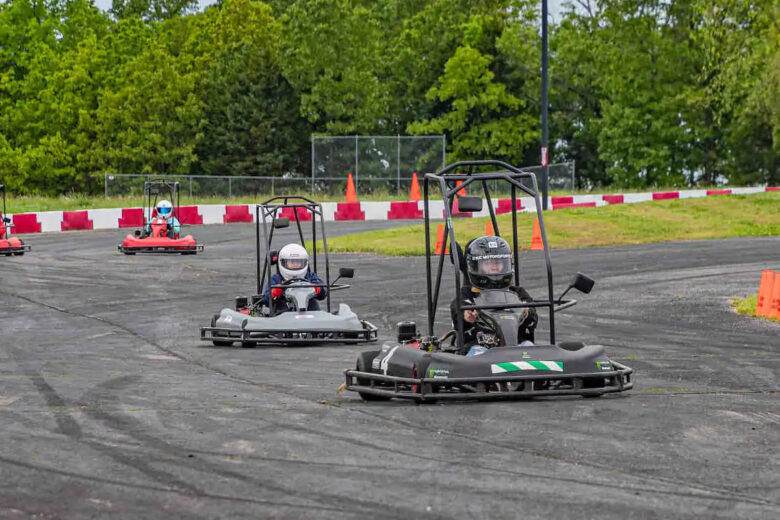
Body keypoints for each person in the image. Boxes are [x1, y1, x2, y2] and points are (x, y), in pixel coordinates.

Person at [449, 235, 537, 355]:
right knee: (478, 352)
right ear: (476, 266)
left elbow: (532, 315)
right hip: (479, 346)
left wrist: (527, 312)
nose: (494, 266)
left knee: (530, 347)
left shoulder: (517, 292)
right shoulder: (468, 294)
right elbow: (456, 308)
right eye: (488, 262)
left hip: (517, 346)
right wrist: (466, 314)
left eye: (498, 262)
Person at [262, 243, 328, 313]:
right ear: (283, 262)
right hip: (283, 316)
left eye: (298, 262)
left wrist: (317, 289)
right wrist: (274, 292)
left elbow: (323, 292)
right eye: (292, 262)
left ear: (305, 262)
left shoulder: (310, 277)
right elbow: (266, 300)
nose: (295, 265)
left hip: (310, 313)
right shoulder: (276, 279)